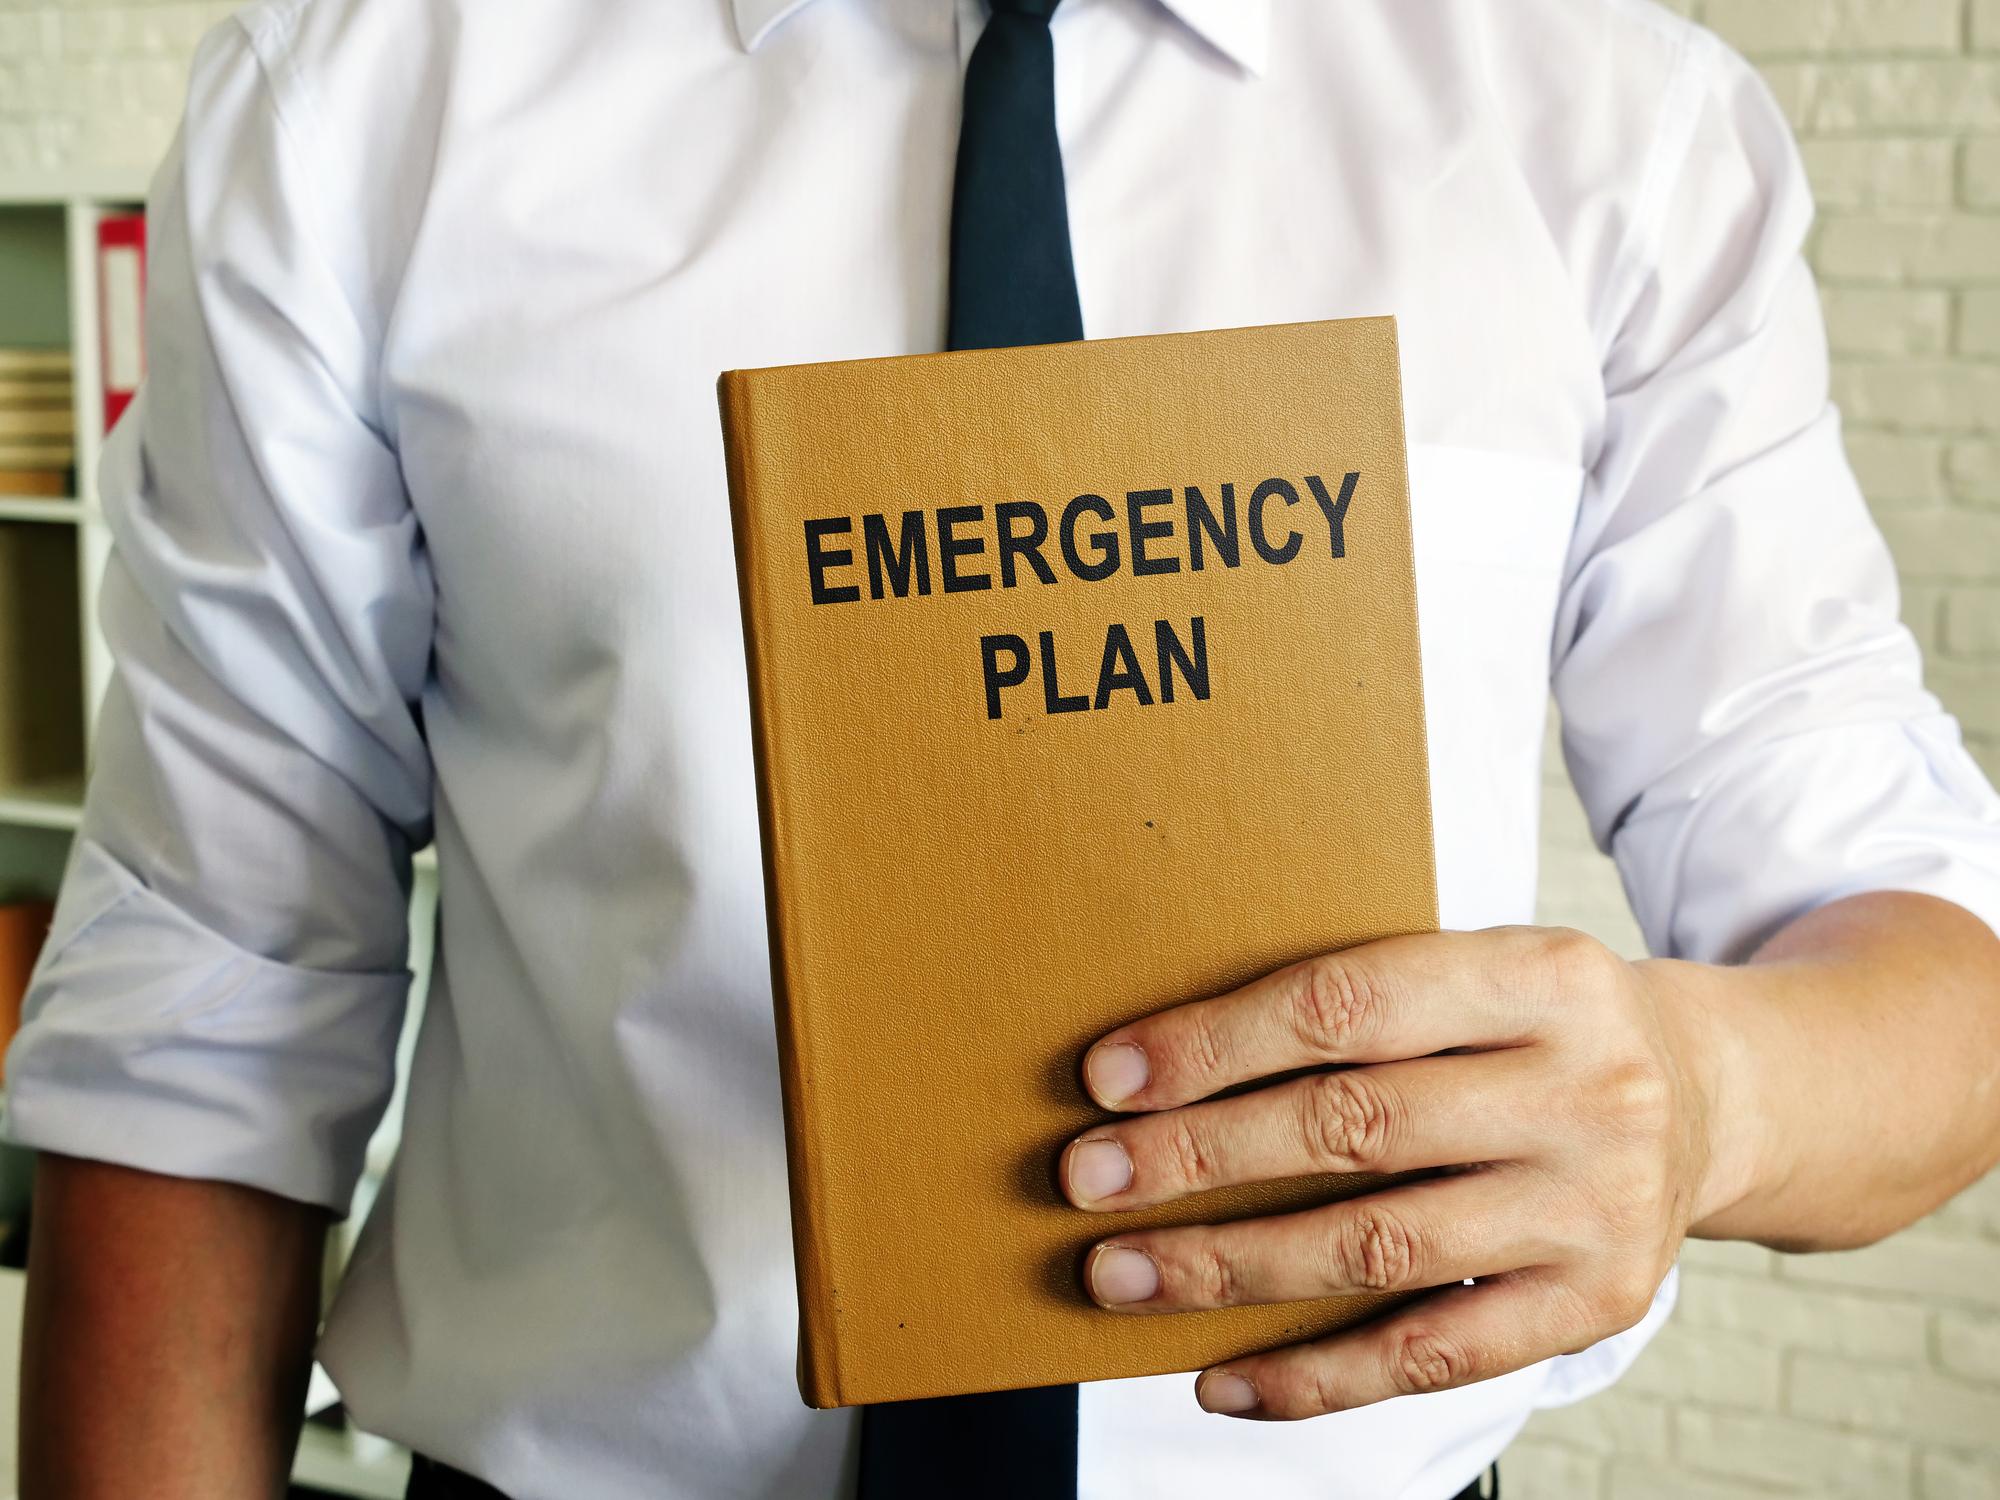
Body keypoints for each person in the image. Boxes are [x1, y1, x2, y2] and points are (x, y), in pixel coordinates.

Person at [11, 0, 2000, 1497]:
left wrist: (1708, 1092)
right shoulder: (378, 88)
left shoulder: (1600, 114)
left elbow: (1916, 948)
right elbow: (218, 983)